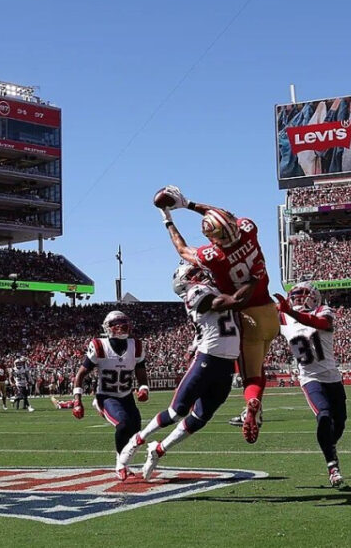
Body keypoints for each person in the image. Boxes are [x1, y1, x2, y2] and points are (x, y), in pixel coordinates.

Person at [157, 185, 279, 444]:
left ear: (214, 237)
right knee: (258, 369)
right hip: (271, 311)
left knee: (251, 376)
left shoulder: (213, 256)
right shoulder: (248, 228)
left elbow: (182, 250)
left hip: (249, 317)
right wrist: (189, 204)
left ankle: (252, 406)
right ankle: (254, 407)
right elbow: (222, 213)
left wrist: (168, 218)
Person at [121, 262, 250, 481]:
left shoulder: (212, 288)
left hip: (227, 363)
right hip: (208, 358)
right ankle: (137, 440)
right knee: (176, 411)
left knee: (200, 418)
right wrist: (255, 278)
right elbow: (234, 300)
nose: (200, 274)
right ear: (186, 281)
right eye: (193, 273)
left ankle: (159, 450)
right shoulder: (195, 293)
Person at [275, 282, 347, 487]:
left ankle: (329, 448)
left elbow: (321, 324)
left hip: (332, 378)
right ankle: (332, 466)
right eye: (295, 295)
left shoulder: (324, 311)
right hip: (309, 378)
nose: (299, 299)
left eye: (302, 295)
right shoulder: (283, 317)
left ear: (314, 297)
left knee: (339, 424)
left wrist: (290, 312)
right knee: (323, 416)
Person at [70, 310, 150, 481]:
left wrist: (144, 388)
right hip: (106, 396)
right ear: (108, 327)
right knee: (123, 424)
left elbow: (141, 372)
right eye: (116, 323)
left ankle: (124, 462)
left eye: (123, 322)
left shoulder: (135, 345)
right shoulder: (99, 345)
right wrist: (77, 401)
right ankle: (120, 464)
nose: (121, 326)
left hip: (126, 396)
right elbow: (81, 374)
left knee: (136, 431)